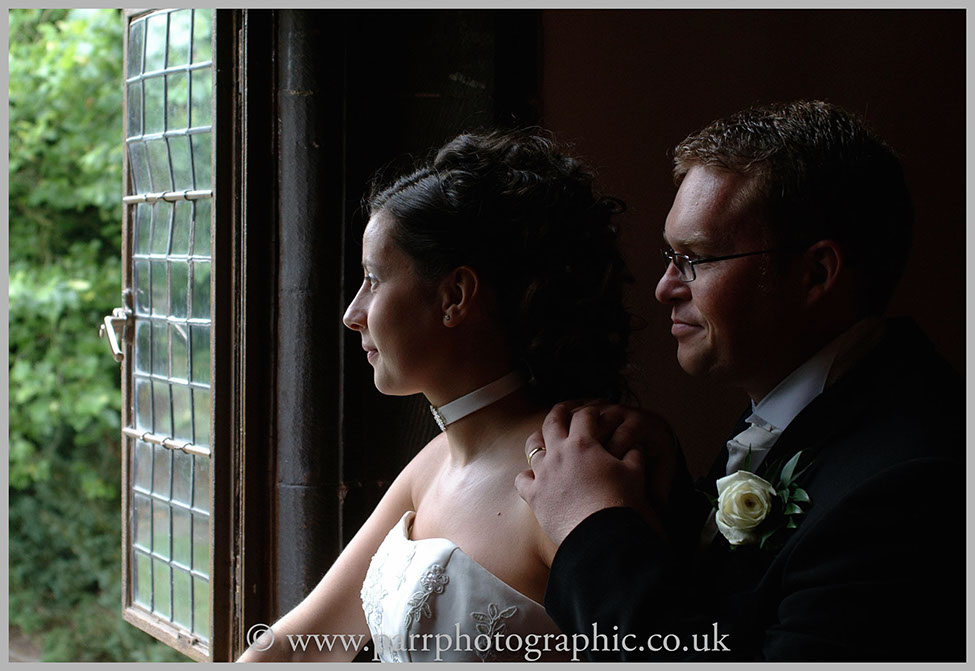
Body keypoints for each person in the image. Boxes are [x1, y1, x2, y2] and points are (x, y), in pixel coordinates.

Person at [516, 100, 965, 661]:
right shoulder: (815, 409)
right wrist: (674, 504)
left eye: (695, 258)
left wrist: (593, 528)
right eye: (669, 254)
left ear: (815, 274)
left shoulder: (911, 482)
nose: (664, 287)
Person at [238, 128, 669, 662]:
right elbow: (296, 648)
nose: (352, 314)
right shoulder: (432, 465)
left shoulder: (585, 462)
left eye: (374, 279)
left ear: (454, 296)